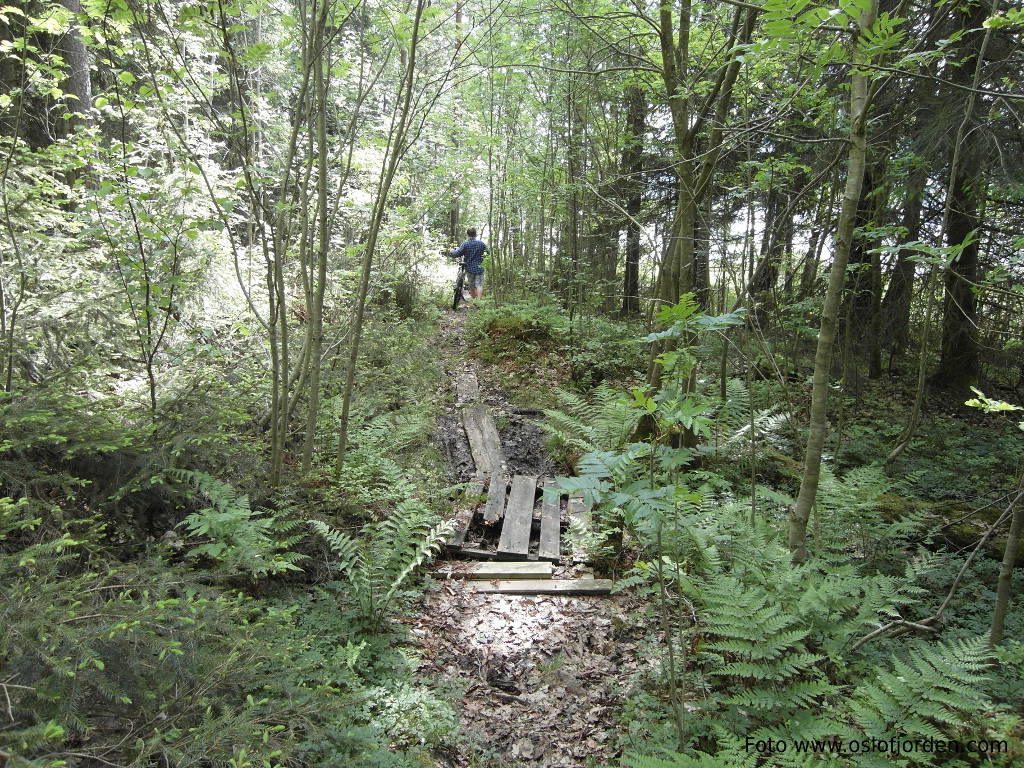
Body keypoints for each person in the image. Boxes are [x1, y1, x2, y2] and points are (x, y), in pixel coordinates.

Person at [450, 227, 488, 300]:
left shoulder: (465, 244)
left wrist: (451, 252)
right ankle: (479, 301)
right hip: (480, 267)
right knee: (479, 285)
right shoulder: (481, 243)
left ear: (467, 234)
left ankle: (474, 301)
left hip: (469, 268)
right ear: (476, 234)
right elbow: (488, 253)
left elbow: (457, 253)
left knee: (472, 285)